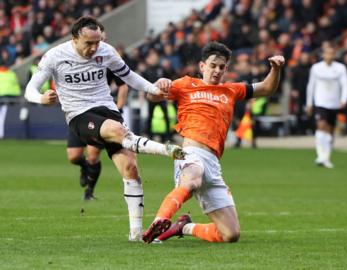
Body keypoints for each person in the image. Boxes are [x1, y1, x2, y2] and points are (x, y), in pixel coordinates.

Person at [24, 16, 185, 241]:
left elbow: (129, 77)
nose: (94, 48)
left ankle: (136, 234)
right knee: (117, 132)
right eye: (88, 43)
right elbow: (30, 89)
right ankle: (166, 150)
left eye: (97, 42)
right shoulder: (55, 56)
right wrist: (41, 98)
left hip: (107, 109)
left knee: (130, 168)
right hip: (79, 114)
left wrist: (152, 88)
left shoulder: (106, 51)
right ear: (74, 39)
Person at [142, 41, 285, 243]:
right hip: (190, 153)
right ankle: (160, 220)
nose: (217, 70)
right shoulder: (185, 84)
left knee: (230, 234)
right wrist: (160, 83)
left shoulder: (232, 90)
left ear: (226, 68)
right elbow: (152, 96)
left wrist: (276, 69)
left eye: (221, 67)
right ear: (202, 66)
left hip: (213, 163)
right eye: (212, 65)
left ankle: (185, 227)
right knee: (192, 178)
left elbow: (267, 88)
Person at [68, 69, 129, 201]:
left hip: (99, 116)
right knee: (73, 156)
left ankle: (89, 191)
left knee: (93, 155)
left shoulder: (105, 63)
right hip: (79, 114)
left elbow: (123, 85)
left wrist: (119, 107)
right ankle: (85, 167)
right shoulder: (74, 65)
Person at [305, 46, 347, 168]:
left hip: (334, 103)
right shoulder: (316, 68)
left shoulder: (340, 68)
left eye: (331, 53)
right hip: (320, 102)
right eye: (327, 53)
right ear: (323, 55)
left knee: (330, 131)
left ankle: (326, 157)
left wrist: (343, 100)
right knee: (321, 126)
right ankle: (320, 156)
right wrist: (309, 103)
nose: (329, 56)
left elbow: (345, 85)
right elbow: (311, 86)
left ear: (334, 55)